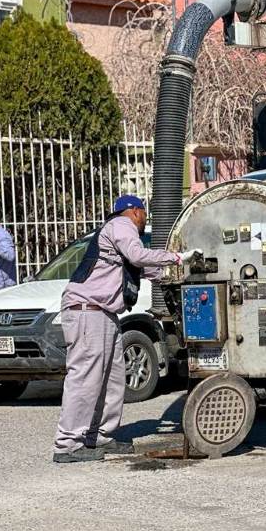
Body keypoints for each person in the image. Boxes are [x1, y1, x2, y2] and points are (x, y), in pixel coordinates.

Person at [53, 195, 200, 464]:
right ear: (134, 211)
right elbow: (138, 255)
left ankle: (100, 436)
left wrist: (186, 271)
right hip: (87, 311)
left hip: (104, 314)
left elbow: (145, 269)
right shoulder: (121, 226)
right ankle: (67, 444)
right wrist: (178, 257)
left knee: (112, 378)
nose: (145, 220)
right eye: (144, 214)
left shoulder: (119, 240)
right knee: (85, 376)